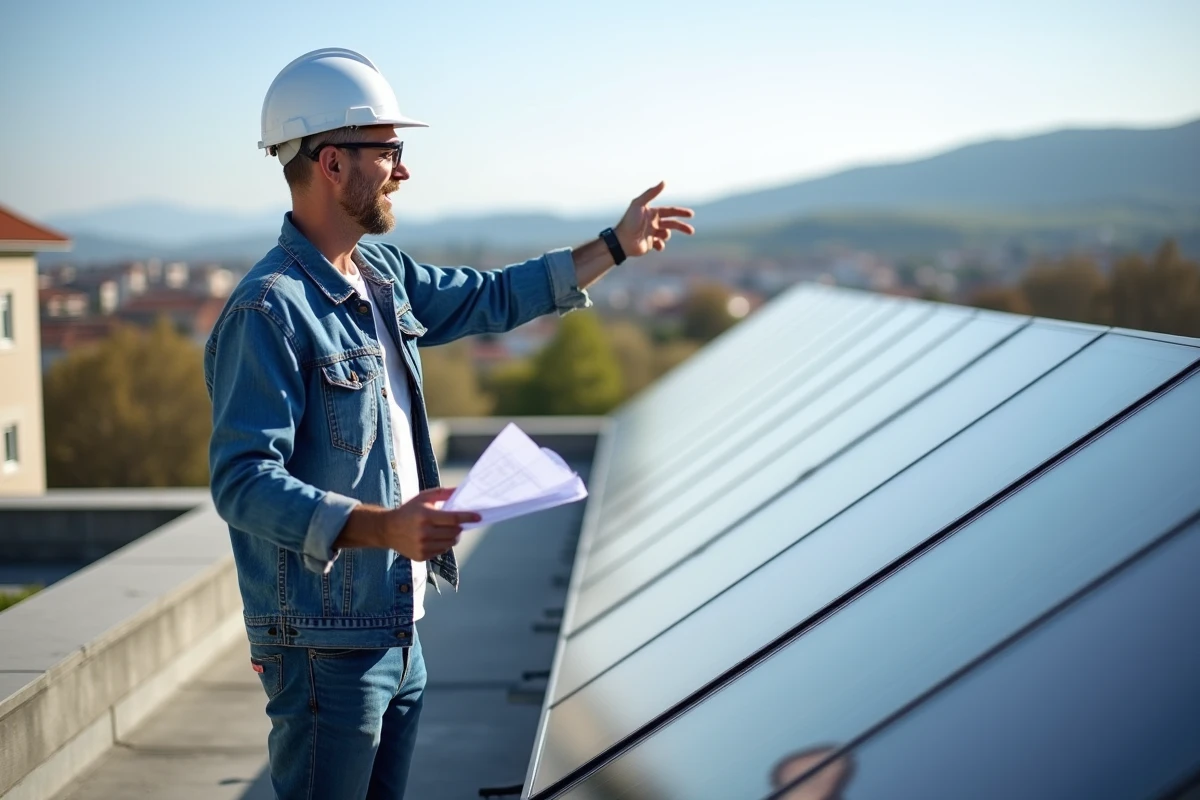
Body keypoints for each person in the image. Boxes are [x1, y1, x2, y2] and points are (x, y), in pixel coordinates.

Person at [203, 48, 695, 800]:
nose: (403, 171)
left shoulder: (381, 276)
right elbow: (242, 482)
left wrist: (617, 245)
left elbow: (494, 296)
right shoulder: (267, 310)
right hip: (326, 649)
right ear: (332, 162)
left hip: (397, 631)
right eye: (390, 152)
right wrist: (380, 528)